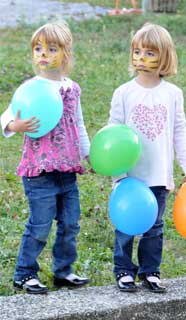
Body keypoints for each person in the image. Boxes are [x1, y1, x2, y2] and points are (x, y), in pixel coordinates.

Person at [0, 21, 91, 294]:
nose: (43, 54)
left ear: (66, 53)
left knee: (70, 223)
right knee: (39, 224)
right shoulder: (31, 88)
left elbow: (79, 123)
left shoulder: (72, 89)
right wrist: (13, 126)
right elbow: (7, 116)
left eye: (51, 49)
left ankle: (64, 271)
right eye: (38, 48)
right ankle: (24, 273)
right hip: (39, 172)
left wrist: (88, 155)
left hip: (67, 170)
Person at [108, 23, 186, 293]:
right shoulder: (124, 93)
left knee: (154, 227)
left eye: (149, 53)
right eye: (137, 52)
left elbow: (180, 131)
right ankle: (123, 270)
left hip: (158, 173)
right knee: (126, 225)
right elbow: (114, 131)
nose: (141, 59)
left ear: (164, 57)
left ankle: (150, 271)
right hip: (129, 174)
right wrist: (116, 171)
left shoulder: (172, 94)